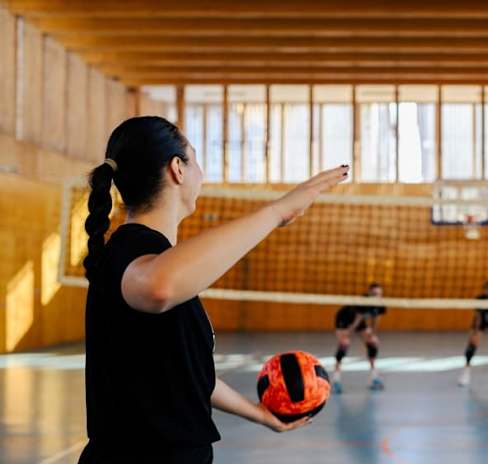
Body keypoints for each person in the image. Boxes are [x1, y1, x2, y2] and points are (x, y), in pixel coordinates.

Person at [79, 116, 349, 464]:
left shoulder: (151, 256)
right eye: (195, 158)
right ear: (177, 168)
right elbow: (157, 287)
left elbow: (189, 375)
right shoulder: (132, 253)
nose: (201, 173)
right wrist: (277, 211)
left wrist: (260, 414)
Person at [332, 283, 386, 393]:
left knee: (373, 342)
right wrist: (347, 334)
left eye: (380, 294)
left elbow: (376, 319)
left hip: (359, 322)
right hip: (344, 319)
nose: (377, 296)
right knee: (344, 344)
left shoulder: (380, 304)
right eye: (375, 294)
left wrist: (373, 334)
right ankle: (336, 381)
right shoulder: (363, 302)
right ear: (369, 293)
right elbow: (355, 321)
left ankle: (375, 377)